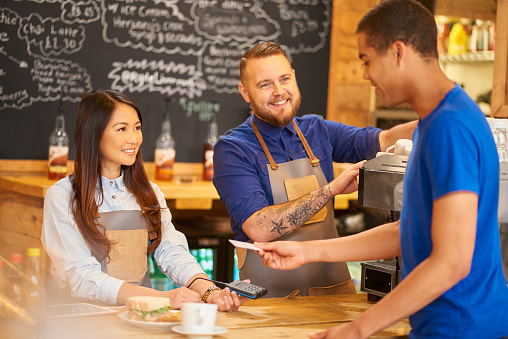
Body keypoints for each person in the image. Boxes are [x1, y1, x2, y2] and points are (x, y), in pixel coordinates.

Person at [256, 0, 508, 338]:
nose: (364, 74)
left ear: (398, 52)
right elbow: (410, 231)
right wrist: (305, 251)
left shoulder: (451, 128)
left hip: (463, 326)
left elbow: (452, 261)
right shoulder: (432, 124)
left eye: (367, 60)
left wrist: (357, 330)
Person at [213, 41, 417, 298]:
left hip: (334, 293)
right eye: (265, 84)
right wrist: (330, 190)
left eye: (284, 79)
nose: (279, 91)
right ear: (245, 92)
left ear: (294, 79)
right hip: (270, 302)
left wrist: (441, 119)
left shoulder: (317, 130)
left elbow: (384, 140)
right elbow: (259, 228)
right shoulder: (233, 148)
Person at [41, 89, 246, 311]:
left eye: (137, 128)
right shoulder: (62, 196)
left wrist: (209, 291)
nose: (134, 139)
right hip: (83, 323)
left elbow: (171, 251)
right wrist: (160, 299)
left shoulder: (150, 193)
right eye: (122, 129)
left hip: (141, 317)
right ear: (94, 134)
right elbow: (81, 276)